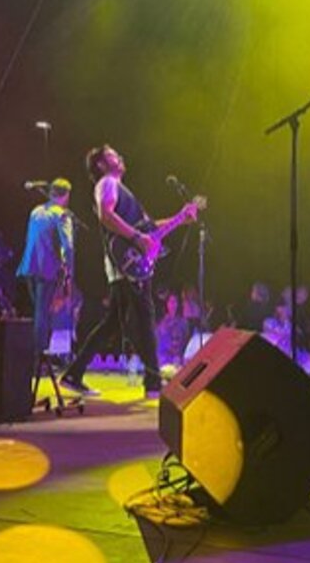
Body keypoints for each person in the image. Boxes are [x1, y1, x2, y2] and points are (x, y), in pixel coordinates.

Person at [61, 145, 197, 398]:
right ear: (101, 164)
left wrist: (180, 218)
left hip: (126, 266)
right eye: (112, 154)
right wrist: (136, 237)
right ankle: (153, 383)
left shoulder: (123, 192)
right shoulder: (107, 182)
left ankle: (73, 374)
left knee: (112, 323)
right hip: (126, 266)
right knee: (145, 319)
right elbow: (105, 214)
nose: (120, 156)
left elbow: (150, 229)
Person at [16, 178, 75, 366]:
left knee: (38, 311)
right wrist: (68, 270)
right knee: (43, 313)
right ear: (65, 195)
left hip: (29, 266)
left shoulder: (36, 211)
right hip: (47, 268)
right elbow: (68, 246)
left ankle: (36, 355)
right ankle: (39, 358)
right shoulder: (61, 214)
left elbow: (28, 239)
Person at [156, 292, 190, 368]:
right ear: (167, 304)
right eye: (171, 302)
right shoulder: (161, 324)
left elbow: (185, 341)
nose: (173, 305)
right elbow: (161, 344)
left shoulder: (182, 322)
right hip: (165, 360)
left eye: (175, 302)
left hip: (179, 360)